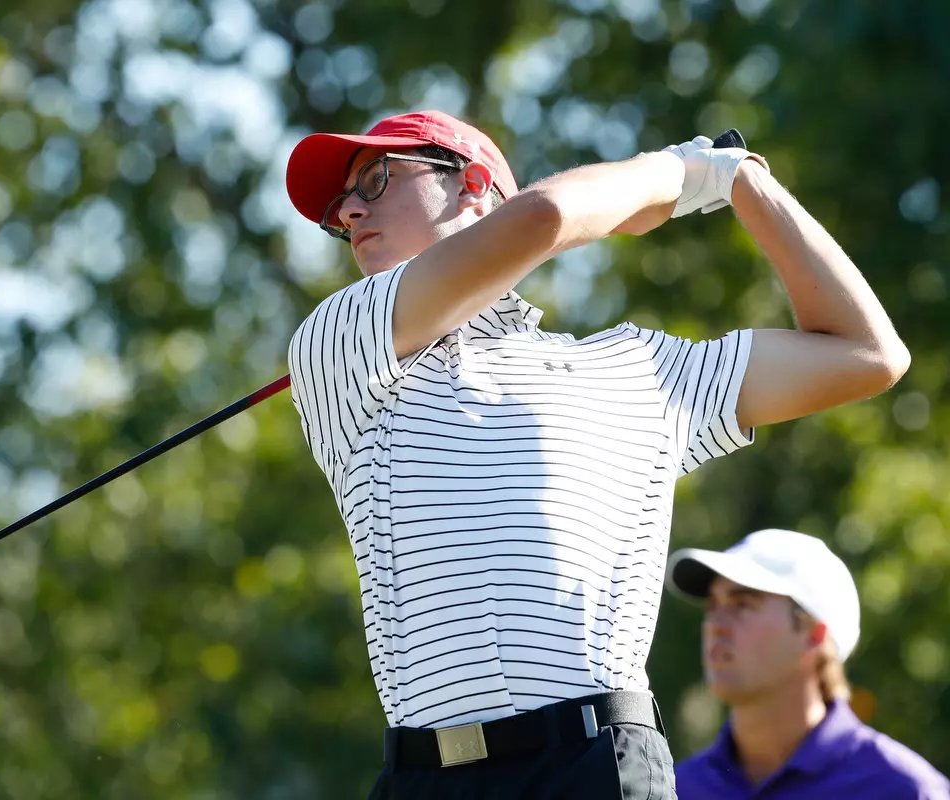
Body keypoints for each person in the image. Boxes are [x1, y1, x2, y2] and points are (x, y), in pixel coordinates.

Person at [282, 108, 910, 799]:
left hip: (595, 768)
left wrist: (743, 184)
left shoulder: (637, 369)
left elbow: (867, 354)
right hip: (424, 777)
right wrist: (677, 173)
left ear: (475, 184)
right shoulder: (340, 347)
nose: (349, 212)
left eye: (375, 178)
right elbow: (544, 216)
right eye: (338, 210)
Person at [665, 528, 950, 798]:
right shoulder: (673, 789)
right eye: (713, 606)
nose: (715, 625)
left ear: (815, 634)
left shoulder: (905, 791)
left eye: (743, 605)